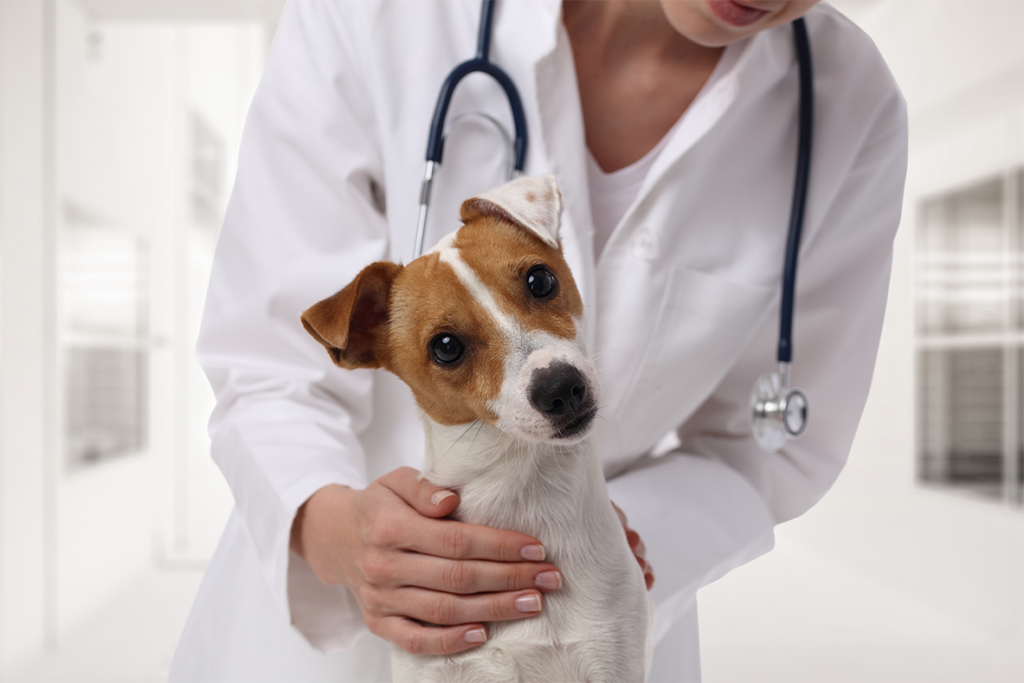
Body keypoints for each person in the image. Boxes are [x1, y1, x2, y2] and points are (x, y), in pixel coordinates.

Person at [168, 0, 907, 680]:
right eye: (452, 346)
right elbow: (267, 361)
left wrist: (605, 542)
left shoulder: (849, 105)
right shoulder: (380, 14)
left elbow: (776, 441)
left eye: (540, 285)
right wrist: (336, 531)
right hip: (332, 616)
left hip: (603, 614)